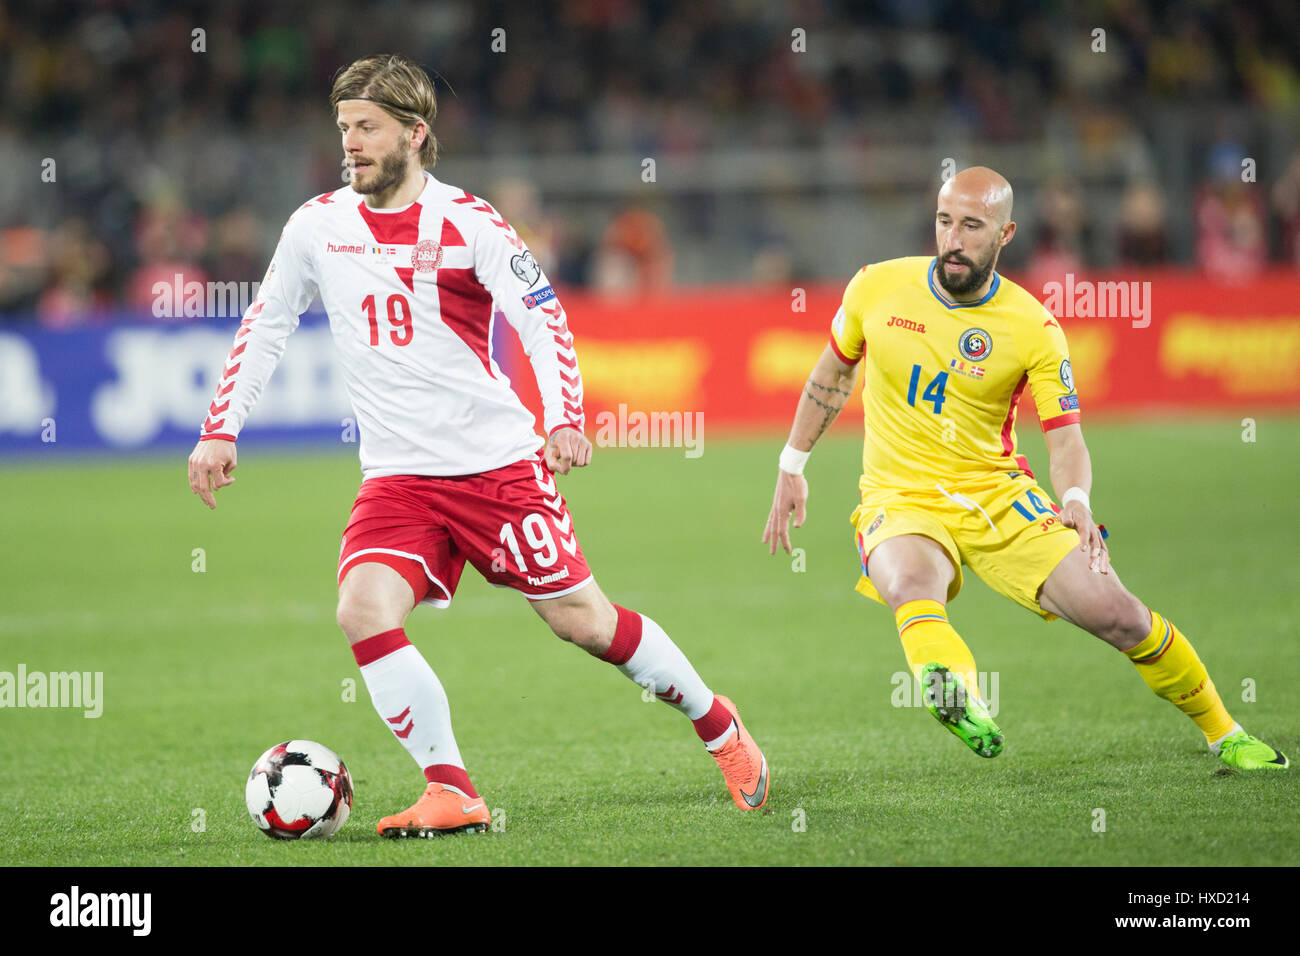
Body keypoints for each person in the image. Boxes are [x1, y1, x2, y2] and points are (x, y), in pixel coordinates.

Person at [188, 54, 768, 837]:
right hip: (396, 477)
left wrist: (562, 415)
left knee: (585, 625)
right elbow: (267, 323)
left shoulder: (470, 223)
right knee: (362, 609)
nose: (350, 144)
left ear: (416, 134)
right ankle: (451, 788)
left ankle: (718, 725)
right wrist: (221, 428)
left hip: (496, 467)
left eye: (367, 129)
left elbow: (542, 317)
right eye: (343, 129)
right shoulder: (315, 226)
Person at [762, 166, 1287, 773]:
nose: (953, 238)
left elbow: (1065, 440)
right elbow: (832, 373)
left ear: (1005, 233)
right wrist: (791, 464)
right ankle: (962, 695)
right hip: (898, 494)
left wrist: (1078, 503)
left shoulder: (1032, 326)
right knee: (907, 581)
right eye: (943, 221)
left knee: (1118, 615)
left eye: (971, 226)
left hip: (998, 496)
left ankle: (1228, 733)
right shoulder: (875, 288)